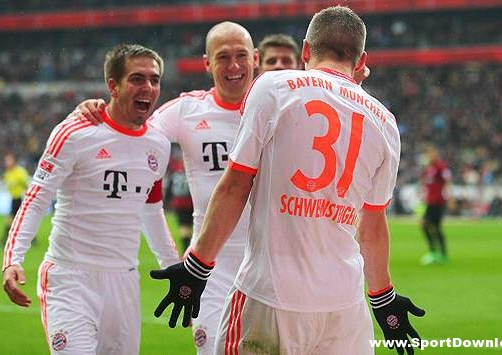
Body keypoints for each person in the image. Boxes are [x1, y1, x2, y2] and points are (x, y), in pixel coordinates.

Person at [152, 6, 425, 355]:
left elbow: (236, 185)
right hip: (345, 306)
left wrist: (197, 266)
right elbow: (372, 224)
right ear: (361, 61)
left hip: (272, 295)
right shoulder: (385, 122)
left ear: (306, 50)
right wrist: (383, 298)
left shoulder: (273, 86)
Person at [75, 22, 266, 355]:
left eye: (241, 56)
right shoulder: (188, 111)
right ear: (207, 63)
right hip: (210, 268)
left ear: (256, 58)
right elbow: (131, 130)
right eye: (223, 57)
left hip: (270, 263)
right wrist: (97, 112)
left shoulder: (277, 108)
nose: (233, 66)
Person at [2, 44, 180, 355]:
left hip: (124, 281)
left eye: (154, 80)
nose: (148, 88)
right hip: (71, 277)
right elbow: (37, 196)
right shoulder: (75, 133)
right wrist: (13, 259)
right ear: (113, 86)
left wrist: (173, 266)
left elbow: (151, 210)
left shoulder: (159, 144)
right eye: (137, 79)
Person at [420, 144, 451, 265]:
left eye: (432, 153)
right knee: (428, 226)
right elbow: (425, 184)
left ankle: (438, 253)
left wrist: (449, 197)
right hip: (430, 201)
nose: (430, 156)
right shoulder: (428, 169)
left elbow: (447, 181)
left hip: (438, 201)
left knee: (431, 226)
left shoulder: (440, 167)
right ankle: (438, 252)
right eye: (429, 154)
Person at [164, 144, 193, 252]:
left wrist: (167, 200)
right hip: (191, 202)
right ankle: (191, 251)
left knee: (184, 228)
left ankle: (186, 250)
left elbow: (169, 187)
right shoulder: (191, 170)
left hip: (179, 203)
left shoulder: (175, 169)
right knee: (194, 229)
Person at [0, 152, 30, 249]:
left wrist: (27, 195)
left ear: (13, 161)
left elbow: (26, 184)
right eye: (6, 161)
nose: (6, 162)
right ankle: (33, 239)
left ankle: (4, 240)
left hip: (19, 199)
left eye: (8, 160)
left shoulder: (20, 172)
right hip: (13, 199)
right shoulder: (8, 173)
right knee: (20, 221)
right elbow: (5, 181)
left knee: (10, 220)